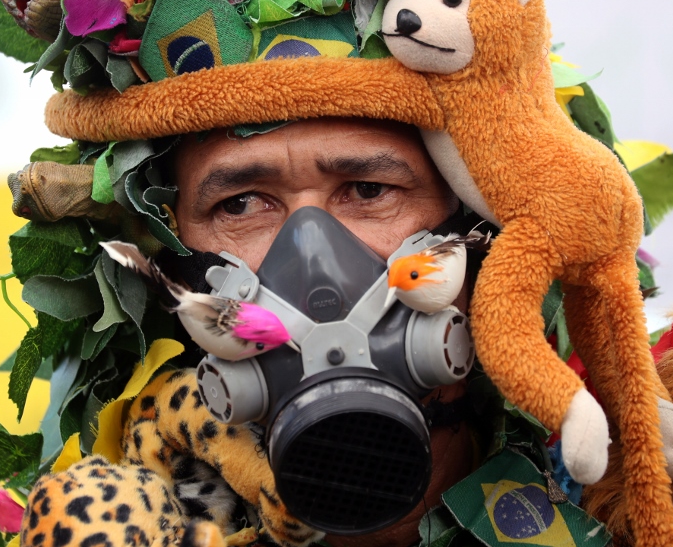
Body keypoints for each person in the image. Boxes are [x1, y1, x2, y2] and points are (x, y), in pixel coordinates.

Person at [169, 116, 475, 547]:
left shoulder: (597, 491)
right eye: (240, 204)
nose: (314, 264)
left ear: (470, 221)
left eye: (369, 189)